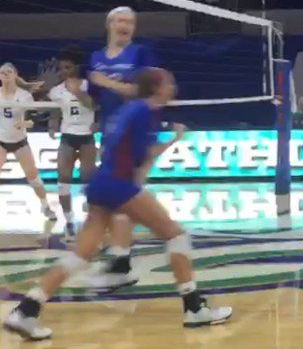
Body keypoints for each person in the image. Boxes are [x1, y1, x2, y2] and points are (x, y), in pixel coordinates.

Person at [2, 68, 233, 342]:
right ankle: (194, 307)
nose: (173, 87)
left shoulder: (127, 110)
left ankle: (27, 310)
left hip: (100, 182)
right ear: (156, 88)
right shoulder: (145, 113)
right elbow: (141, 161)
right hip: (119, 184)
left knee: (80, 255)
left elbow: (112, 149)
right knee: (176, 235)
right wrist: (173, 140)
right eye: (168, 83)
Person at [85, 6, 161, 290]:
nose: (125, 24)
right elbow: (93, 100)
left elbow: (143, 92)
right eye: (120, 20)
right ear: (109, 24)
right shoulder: (96, 57)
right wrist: (78, 92)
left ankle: (121, 259)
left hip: (134, 132)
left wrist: (106, 82)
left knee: (125, 193)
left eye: (130, 21)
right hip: (110, 133)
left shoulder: (140, 53)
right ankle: (120, 257)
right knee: (115, 198)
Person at [47, 46, 97, 229]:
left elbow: (94, 106)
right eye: (61, 68)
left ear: (76, 67)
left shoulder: (88, 85)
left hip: (87, 136)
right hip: (67, 136)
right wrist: (53, 123)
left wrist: (77, 92)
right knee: (63, 177)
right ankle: (68, 219)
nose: (64, 71)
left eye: (68, 67)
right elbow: (55, 109)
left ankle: (91, 214)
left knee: (87, 176)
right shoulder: (56, 91)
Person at [0, 63, 55, 221]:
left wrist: (24, 123)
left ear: (15, 75)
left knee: (33, 176)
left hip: (19, 141)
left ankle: (45, 206)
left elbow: (32, 121)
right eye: (2, 72)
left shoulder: (24, 95)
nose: (5, 75)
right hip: (1, 141)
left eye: (9, 72)